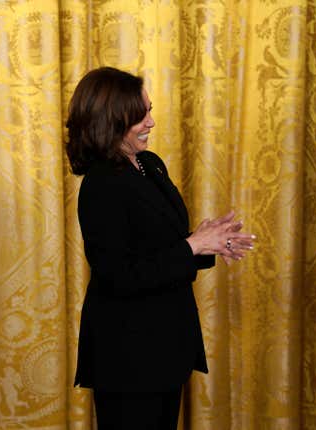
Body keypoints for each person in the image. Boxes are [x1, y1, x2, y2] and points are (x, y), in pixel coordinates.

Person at [66, 67, 255, 429]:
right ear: (113, 119)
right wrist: (192, 245)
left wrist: (207, 243)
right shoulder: (101, 184)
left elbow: (163, 249)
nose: (151, 122)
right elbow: (118, 275)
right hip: (127, 356)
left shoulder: (149, 165)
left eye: (150, 110)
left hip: (166, 347)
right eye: (142, 115)